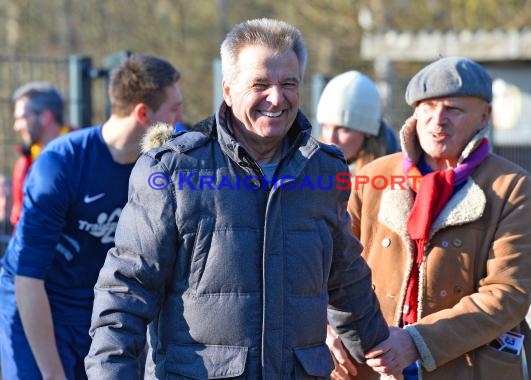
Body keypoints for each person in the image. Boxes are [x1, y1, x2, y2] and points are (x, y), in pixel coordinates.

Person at [85, 18, 392, 379]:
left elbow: (346, 277)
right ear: (228, 91)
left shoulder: (324, 171)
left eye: (288, 84)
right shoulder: (173, 170)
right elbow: (125, 291)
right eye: (260, 84)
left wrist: (386, 349)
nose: (276, 98)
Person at [328, 56, 531, 379]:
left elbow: (507, 294)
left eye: (453, 110)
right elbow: (327, 266)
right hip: (368, 368)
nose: (437, 120)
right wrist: (326, 325)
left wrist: (417, 341)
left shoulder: (512, 187)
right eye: (427, 107)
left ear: (484, 116)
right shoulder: (372, 177)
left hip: (467, 369)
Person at [0, 54, 183, 380]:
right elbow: (28, 278)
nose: (180, 120)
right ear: (143, 114)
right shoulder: (61, 163)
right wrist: (52, 373)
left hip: (95, 305)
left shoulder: (162, 164)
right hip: (36, 304)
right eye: (174, 110)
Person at [10, 82, 71, 229]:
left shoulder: (85, 156)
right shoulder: (24, 164)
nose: (16, 127)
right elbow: (19, 222)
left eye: (22, 117)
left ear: (45, 117)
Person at [317, 70, 400, 174]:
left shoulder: (397, 179)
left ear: (367, 132)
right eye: (326, 127)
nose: (331, 138)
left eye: (342, 128)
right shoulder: (311, 171)